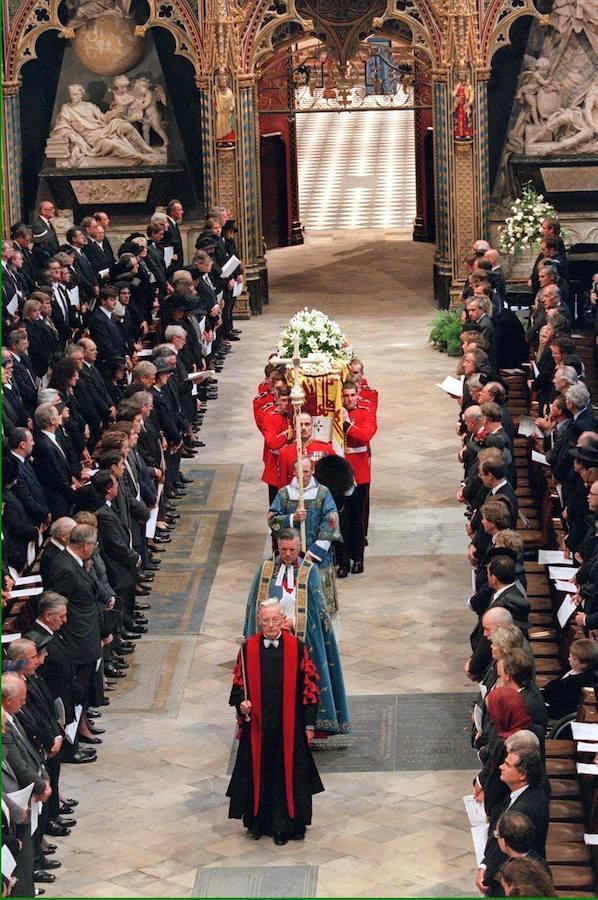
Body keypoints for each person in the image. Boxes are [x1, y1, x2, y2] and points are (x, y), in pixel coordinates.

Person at [226, 599, 324, 844]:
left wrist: (309, 725)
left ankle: (284, 826)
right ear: (260, 620)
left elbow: (310, 690)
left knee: (285, 776)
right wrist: (243, 705)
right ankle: (258, 823)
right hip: (258, 726)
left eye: (275, 620)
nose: (270, 625)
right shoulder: (247, 649)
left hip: (289, 727)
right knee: (259, 773)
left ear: (283, 620)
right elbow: (239, 687)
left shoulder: (297, 648)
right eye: (266, 620)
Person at [244, 528, 350, 735]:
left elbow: (319, 612)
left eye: (292, 549)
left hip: (301, 641)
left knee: (301, 685)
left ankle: (308, 725)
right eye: (283, 549)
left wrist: (294, 624)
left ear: (299, 547)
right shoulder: (265, 570)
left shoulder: (309, 572)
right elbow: (253, 607)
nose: (288, 554)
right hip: (271, 640)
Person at [268, 456, 341, 619]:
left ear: (313, 471)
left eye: (307, 471)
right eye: (299, 472)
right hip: (291, 557)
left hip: (318, 557)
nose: (303, 475)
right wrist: (292, 518)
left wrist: (313, 552)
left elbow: (331, 520)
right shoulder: (285, 494)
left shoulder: (322, 493)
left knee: (320, 609)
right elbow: (272, 518)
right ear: (294, 472)